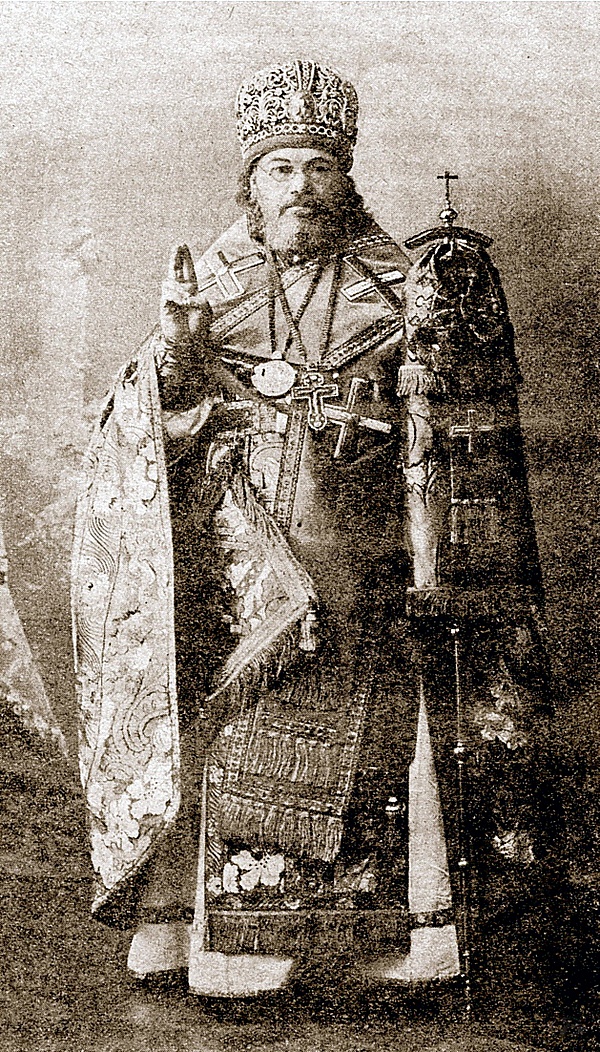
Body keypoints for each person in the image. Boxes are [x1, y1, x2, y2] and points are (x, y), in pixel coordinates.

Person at [72, 60, 556, 1000]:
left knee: (372, 741)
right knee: (232, 732)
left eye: (318, 167)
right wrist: (174, 354)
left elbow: (456, 415)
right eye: (281, 168)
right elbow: (142, 422)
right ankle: (221, 941)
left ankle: (384, 940)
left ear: (346, 177)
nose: (301, 186)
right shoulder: (210, 283)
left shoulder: (402, 282)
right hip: (243, 557)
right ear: (251, 185)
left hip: (366, 552)